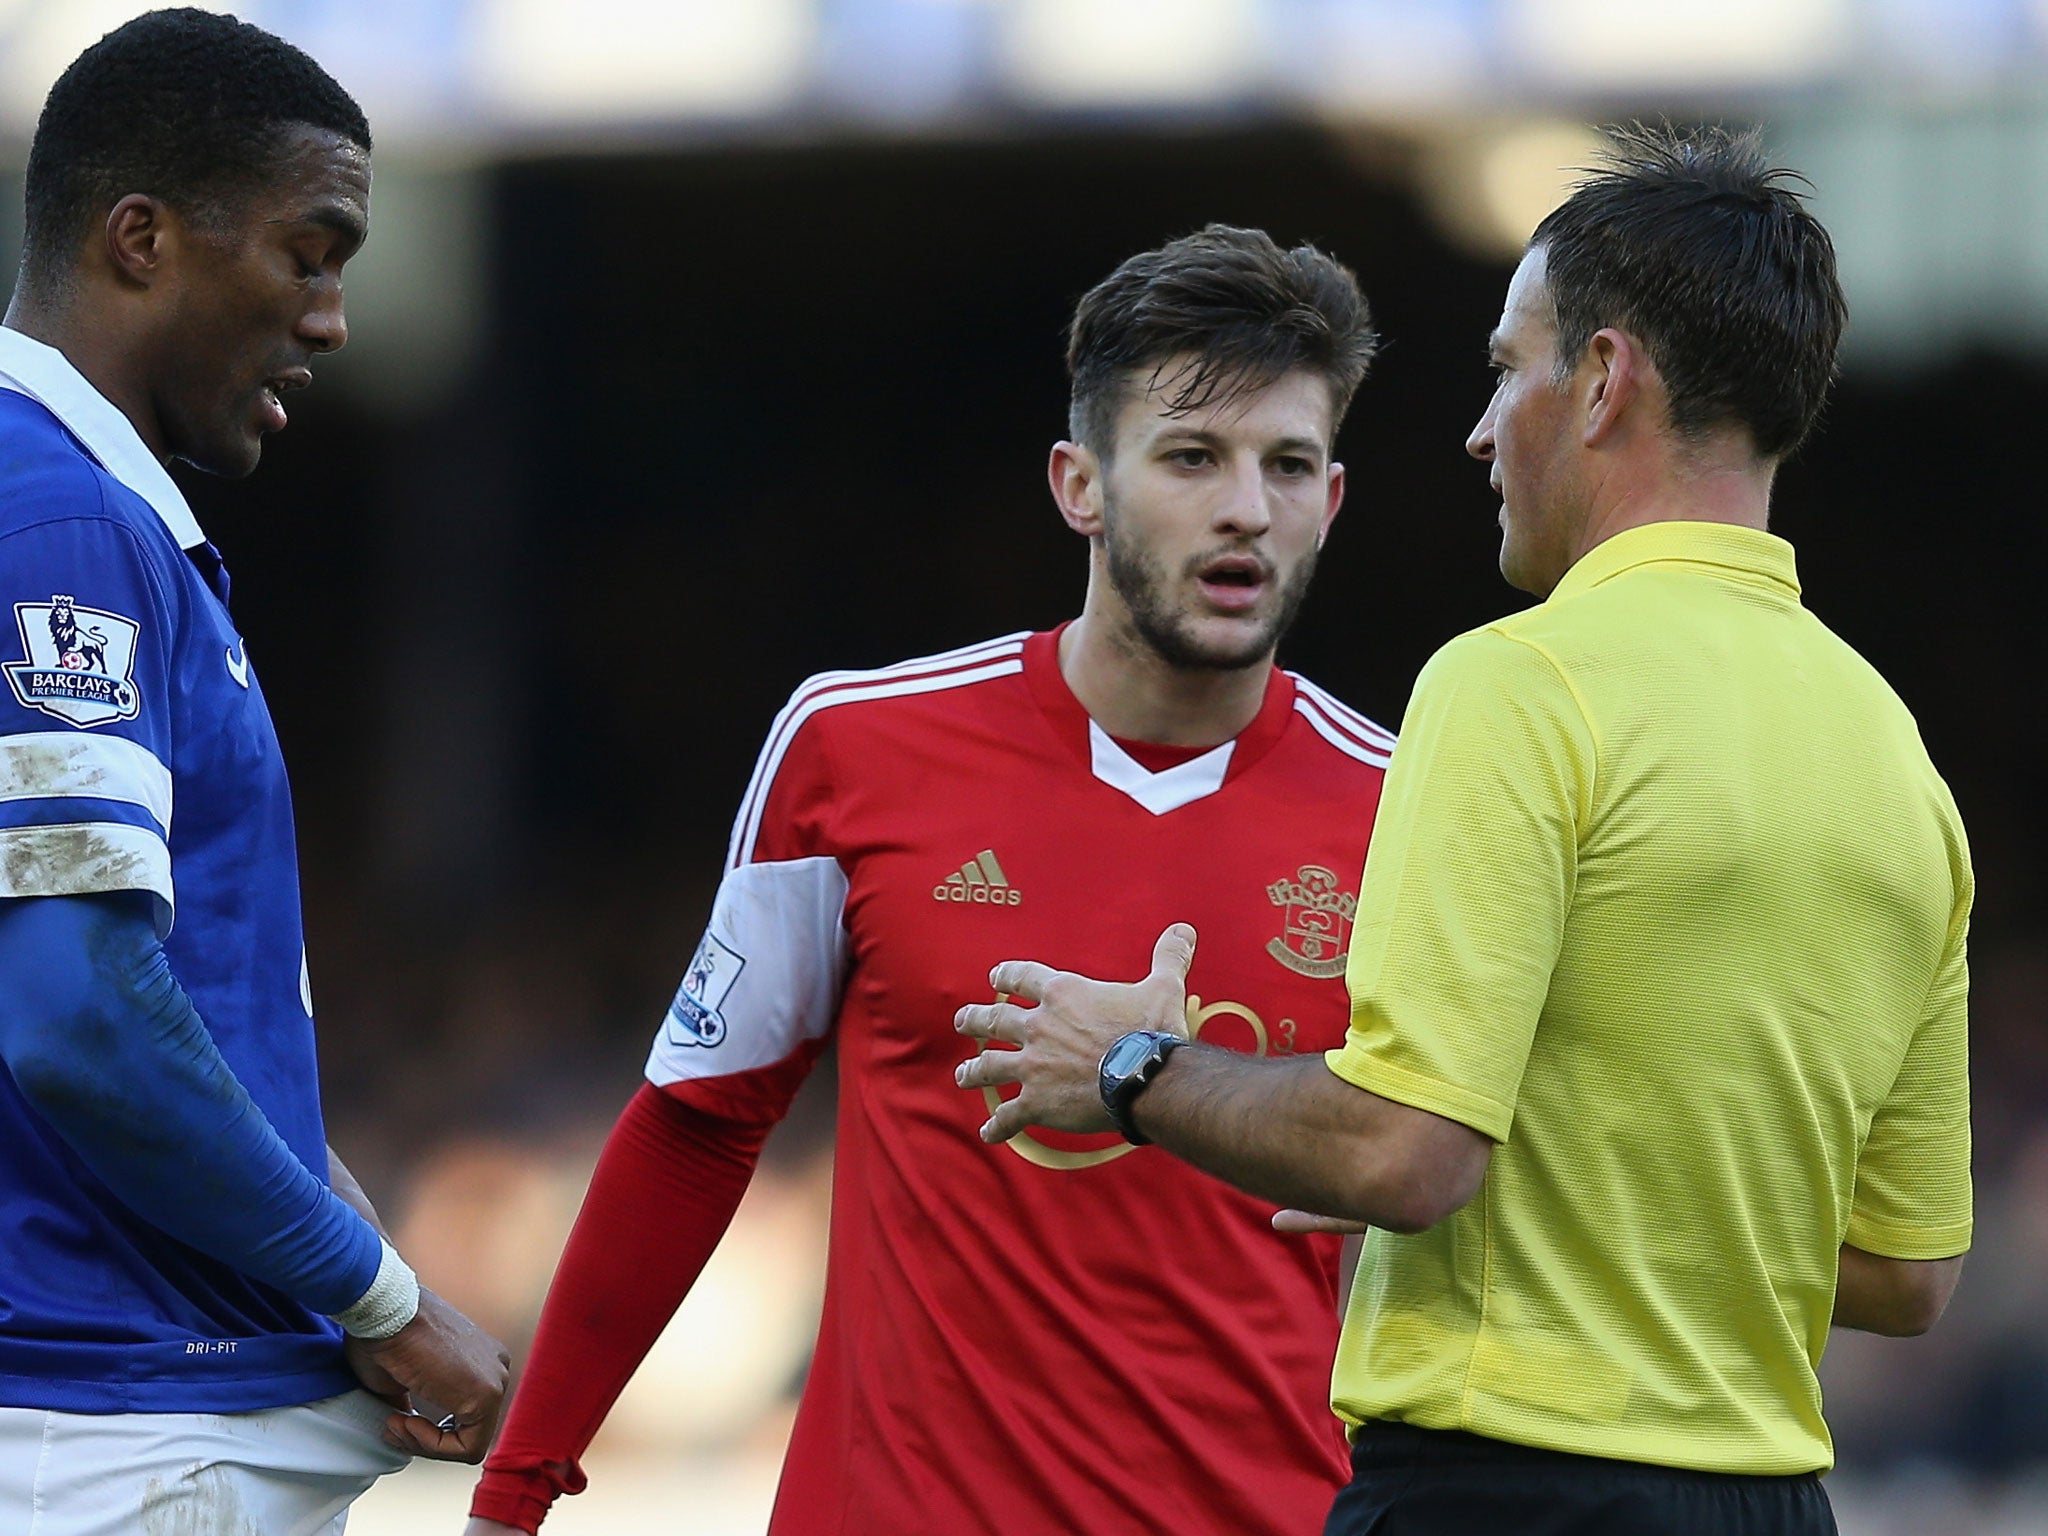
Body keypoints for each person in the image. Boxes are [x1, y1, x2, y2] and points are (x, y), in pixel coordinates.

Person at [957, 124, 1972, 1536]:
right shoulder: (1895, 760)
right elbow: (1905, 1270)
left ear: (1605, 380)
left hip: (1504, 1493)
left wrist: (1132, 1065)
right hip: (1777, 1505)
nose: (1482, 431)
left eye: (1510, 370)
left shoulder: (1520, 683)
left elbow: (1408, 1156)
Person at [464, 224, 1393, 1534]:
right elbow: (696, 1125)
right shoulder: (855, 750)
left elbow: (1447, 1186)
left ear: (1331, 501)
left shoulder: (1405, 811)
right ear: (1080, 485)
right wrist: (517, 1488)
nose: (1246, 505)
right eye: (1192, 457)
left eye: (1286, 464)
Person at [0, 11, 509, 1533]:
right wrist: (378, 1289)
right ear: (141, 239)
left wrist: (367, 1282)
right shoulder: (59, 525)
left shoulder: (87, 515)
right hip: (117, 1431)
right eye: (311, 249)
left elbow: (172, 1015)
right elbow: (76, 1011)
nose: (334, 315)